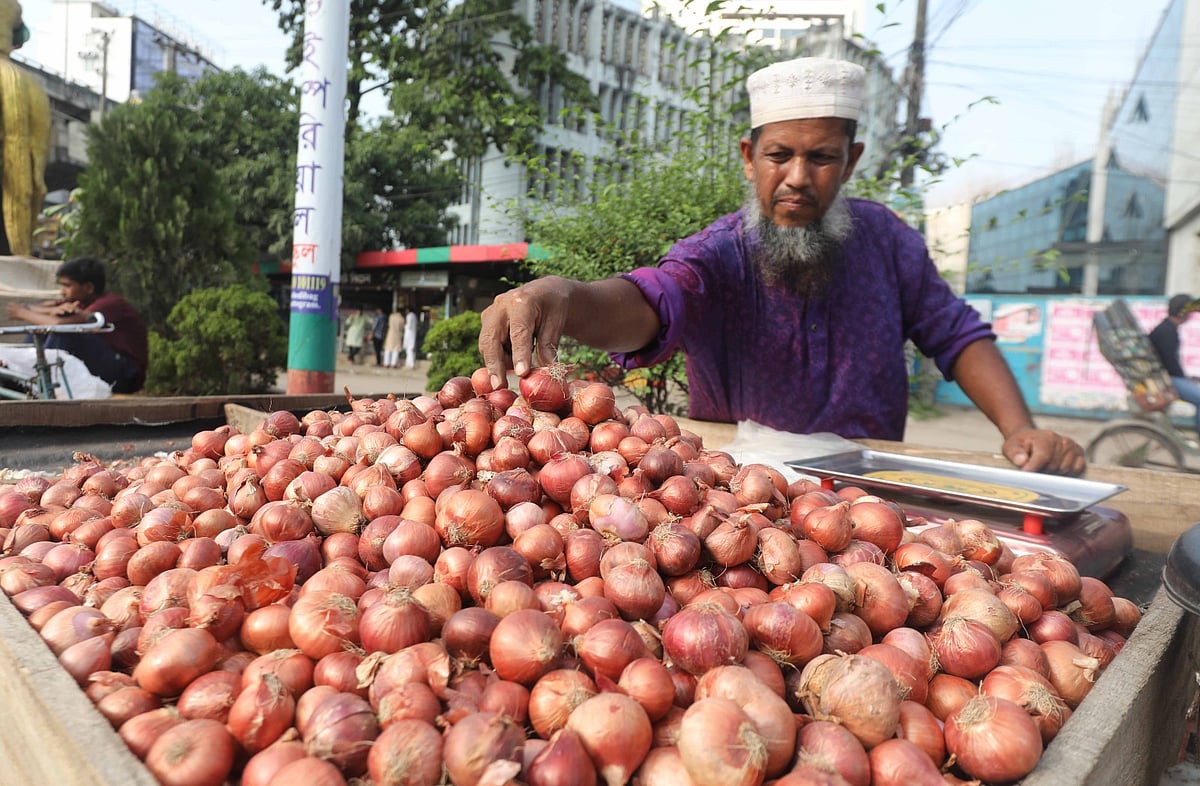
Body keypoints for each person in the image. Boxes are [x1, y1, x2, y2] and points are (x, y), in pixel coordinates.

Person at [479, 56, 1085, 476]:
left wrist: (1018, 429)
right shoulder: (718, 252)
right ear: (749, 158)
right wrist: (569, 297)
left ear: (850, 162)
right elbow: (652, 301)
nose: (797, 177)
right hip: (742, 500)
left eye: (821, 157)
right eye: (779, 155)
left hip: (873, 493)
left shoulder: (888, 240)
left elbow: (955, 334)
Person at [5, 257, 147, 394]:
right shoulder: (80, 300)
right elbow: (43, 307)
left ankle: (40, 381)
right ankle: (20, 376)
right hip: (107, 365)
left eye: (67, 285)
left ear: (88, 287)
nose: (62, 291)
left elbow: (59, 325)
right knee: (39, 330)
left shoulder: (110, 303)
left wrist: (21, 313)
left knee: (63, 332)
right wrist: (52, 310)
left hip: (125, 373)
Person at [1149, 294, 1200, 438]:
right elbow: (1171, 364)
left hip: (1168, 376)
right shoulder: (1167, 331)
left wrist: (1187, 378)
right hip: (1167, 380)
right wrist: (1185, 379)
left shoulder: (1167, 328)